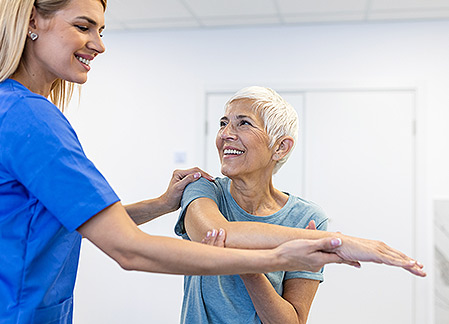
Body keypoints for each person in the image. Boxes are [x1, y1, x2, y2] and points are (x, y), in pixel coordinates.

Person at [0, 1, 424, 323]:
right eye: (83, 26)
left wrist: (162, 204)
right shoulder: (29, 118)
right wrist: (302, 249)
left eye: (244, 124)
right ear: (32, 21)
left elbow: (67, 221)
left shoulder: (24, 112)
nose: (100, 43)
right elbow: (132, 246)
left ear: (281, 147)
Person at [174, 86, 425, 324]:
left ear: (281, 147)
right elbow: (213, 233)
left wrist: (249, 268)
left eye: (243, 123)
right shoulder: (203, 188)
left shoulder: (306, 217)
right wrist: (331, 241)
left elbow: (291, 321)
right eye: (223, 123)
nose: (226, 133)